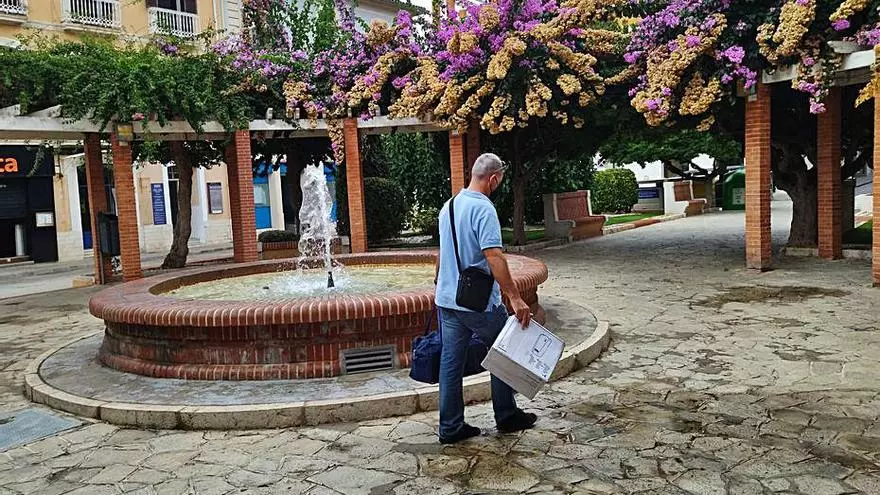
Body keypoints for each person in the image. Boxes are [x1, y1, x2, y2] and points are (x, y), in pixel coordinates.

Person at [433, 152, 537, 444]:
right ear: (493, 179)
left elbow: (441, 252)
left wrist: (440, 281)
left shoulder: (449, 205)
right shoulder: (484, 208)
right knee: (504, 349)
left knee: (450, 363)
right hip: (477, 302)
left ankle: (450, 427)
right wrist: (514, 297)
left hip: (447, 299)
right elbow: (494, 256)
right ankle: (507, 415)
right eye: (499, 181)